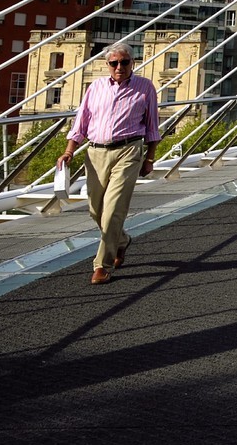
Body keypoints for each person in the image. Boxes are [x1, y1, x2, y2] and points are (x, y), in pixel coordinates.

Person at [56, 43, 160, 284]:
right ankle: (122, 241)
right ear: (107, 65)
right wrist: (69, 150)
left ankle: (101, 266)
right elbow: (80, 122)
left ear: (132, 63)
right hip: (95, 153)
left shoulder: (145, 88)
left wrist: (150, 158)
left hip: (128, 151)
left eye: (124, 62)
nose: (119, 67)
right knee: (96, 210)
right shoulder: (95, 87)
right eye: (114, 63)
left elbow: (153, 127)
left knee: (113, 210)